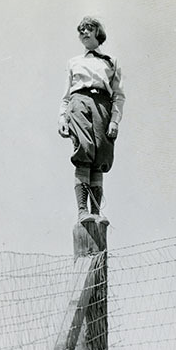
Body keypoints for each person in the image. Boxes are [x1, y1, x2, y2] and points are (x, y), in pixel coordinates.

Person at [58, 16, 125, 225]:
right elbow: (67, 94)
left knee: (100, 155)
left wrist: (114, 120)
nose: (84, 33)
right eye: (81, 31)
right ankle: (82, 211)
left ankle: (96, 212)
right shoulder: (74, 62)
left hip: (103, 105)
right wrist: (62, 117)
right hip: (79, 102)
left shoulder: (110, 61)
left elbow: (119, 94)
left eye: (88, 29)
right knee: (84, 150)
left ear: (98, 33)